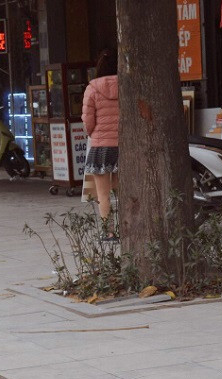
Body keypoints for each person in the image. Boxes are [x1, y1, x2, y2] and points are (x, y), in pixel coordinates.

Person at [82, 48, 119, 240]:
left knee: (103, 194)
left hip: (100, 147)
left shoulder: (92, 89)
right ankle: (127, 228)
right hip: (123, 147)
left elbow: (88, 121)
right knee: (124, 192)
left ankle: (109, 232)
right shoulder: (127, 86)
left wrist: (93, 134)